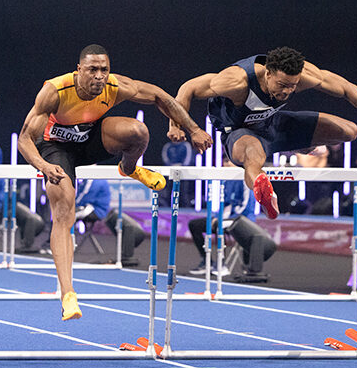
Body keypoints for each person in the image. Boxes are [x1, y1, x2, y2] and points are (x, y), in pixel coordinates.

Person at [18, 44, 212, 320]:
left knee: (138, 131)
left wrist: (192, 128)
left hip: (91, 140)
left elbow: (160, 96)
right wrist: (43, 166)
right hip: (55, 148)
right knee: (64, 209)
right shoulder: (55, 90)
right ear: (79, 71)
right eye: (92, 70)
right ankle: (68, 294)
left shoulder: (116, 85)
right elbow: (24, 139)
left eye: (104, 70)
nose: (99, 76)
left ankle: (129, 168)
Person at [168, 46, 357, 219]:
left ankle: (295, 144)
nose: (286, 92)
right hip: (240, 133)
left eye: (292, 87)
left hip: (275, 125)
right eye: (281, 86)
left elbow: (347, 89)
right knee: (253, 157)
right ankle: (264, 192)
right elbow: (187, 89)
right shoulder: (236, 81)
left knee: (350, 131)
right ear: (268, 73)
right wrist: (183, 127)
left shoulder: (305, 76)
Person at [188, 156, 256, 274]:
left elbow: (245, 205)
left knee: (219, 225)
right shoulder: (226, 180)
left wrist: (223, 219)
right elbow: (223, 204)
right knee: (194, 225)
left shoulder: (245, 178)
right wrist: (216, 217)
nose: (228, 164)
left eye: (230, 161)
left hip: (242, 219)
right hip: (225, 218)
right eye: (225, 161)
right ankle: (206, 262)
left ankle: (221, 264)